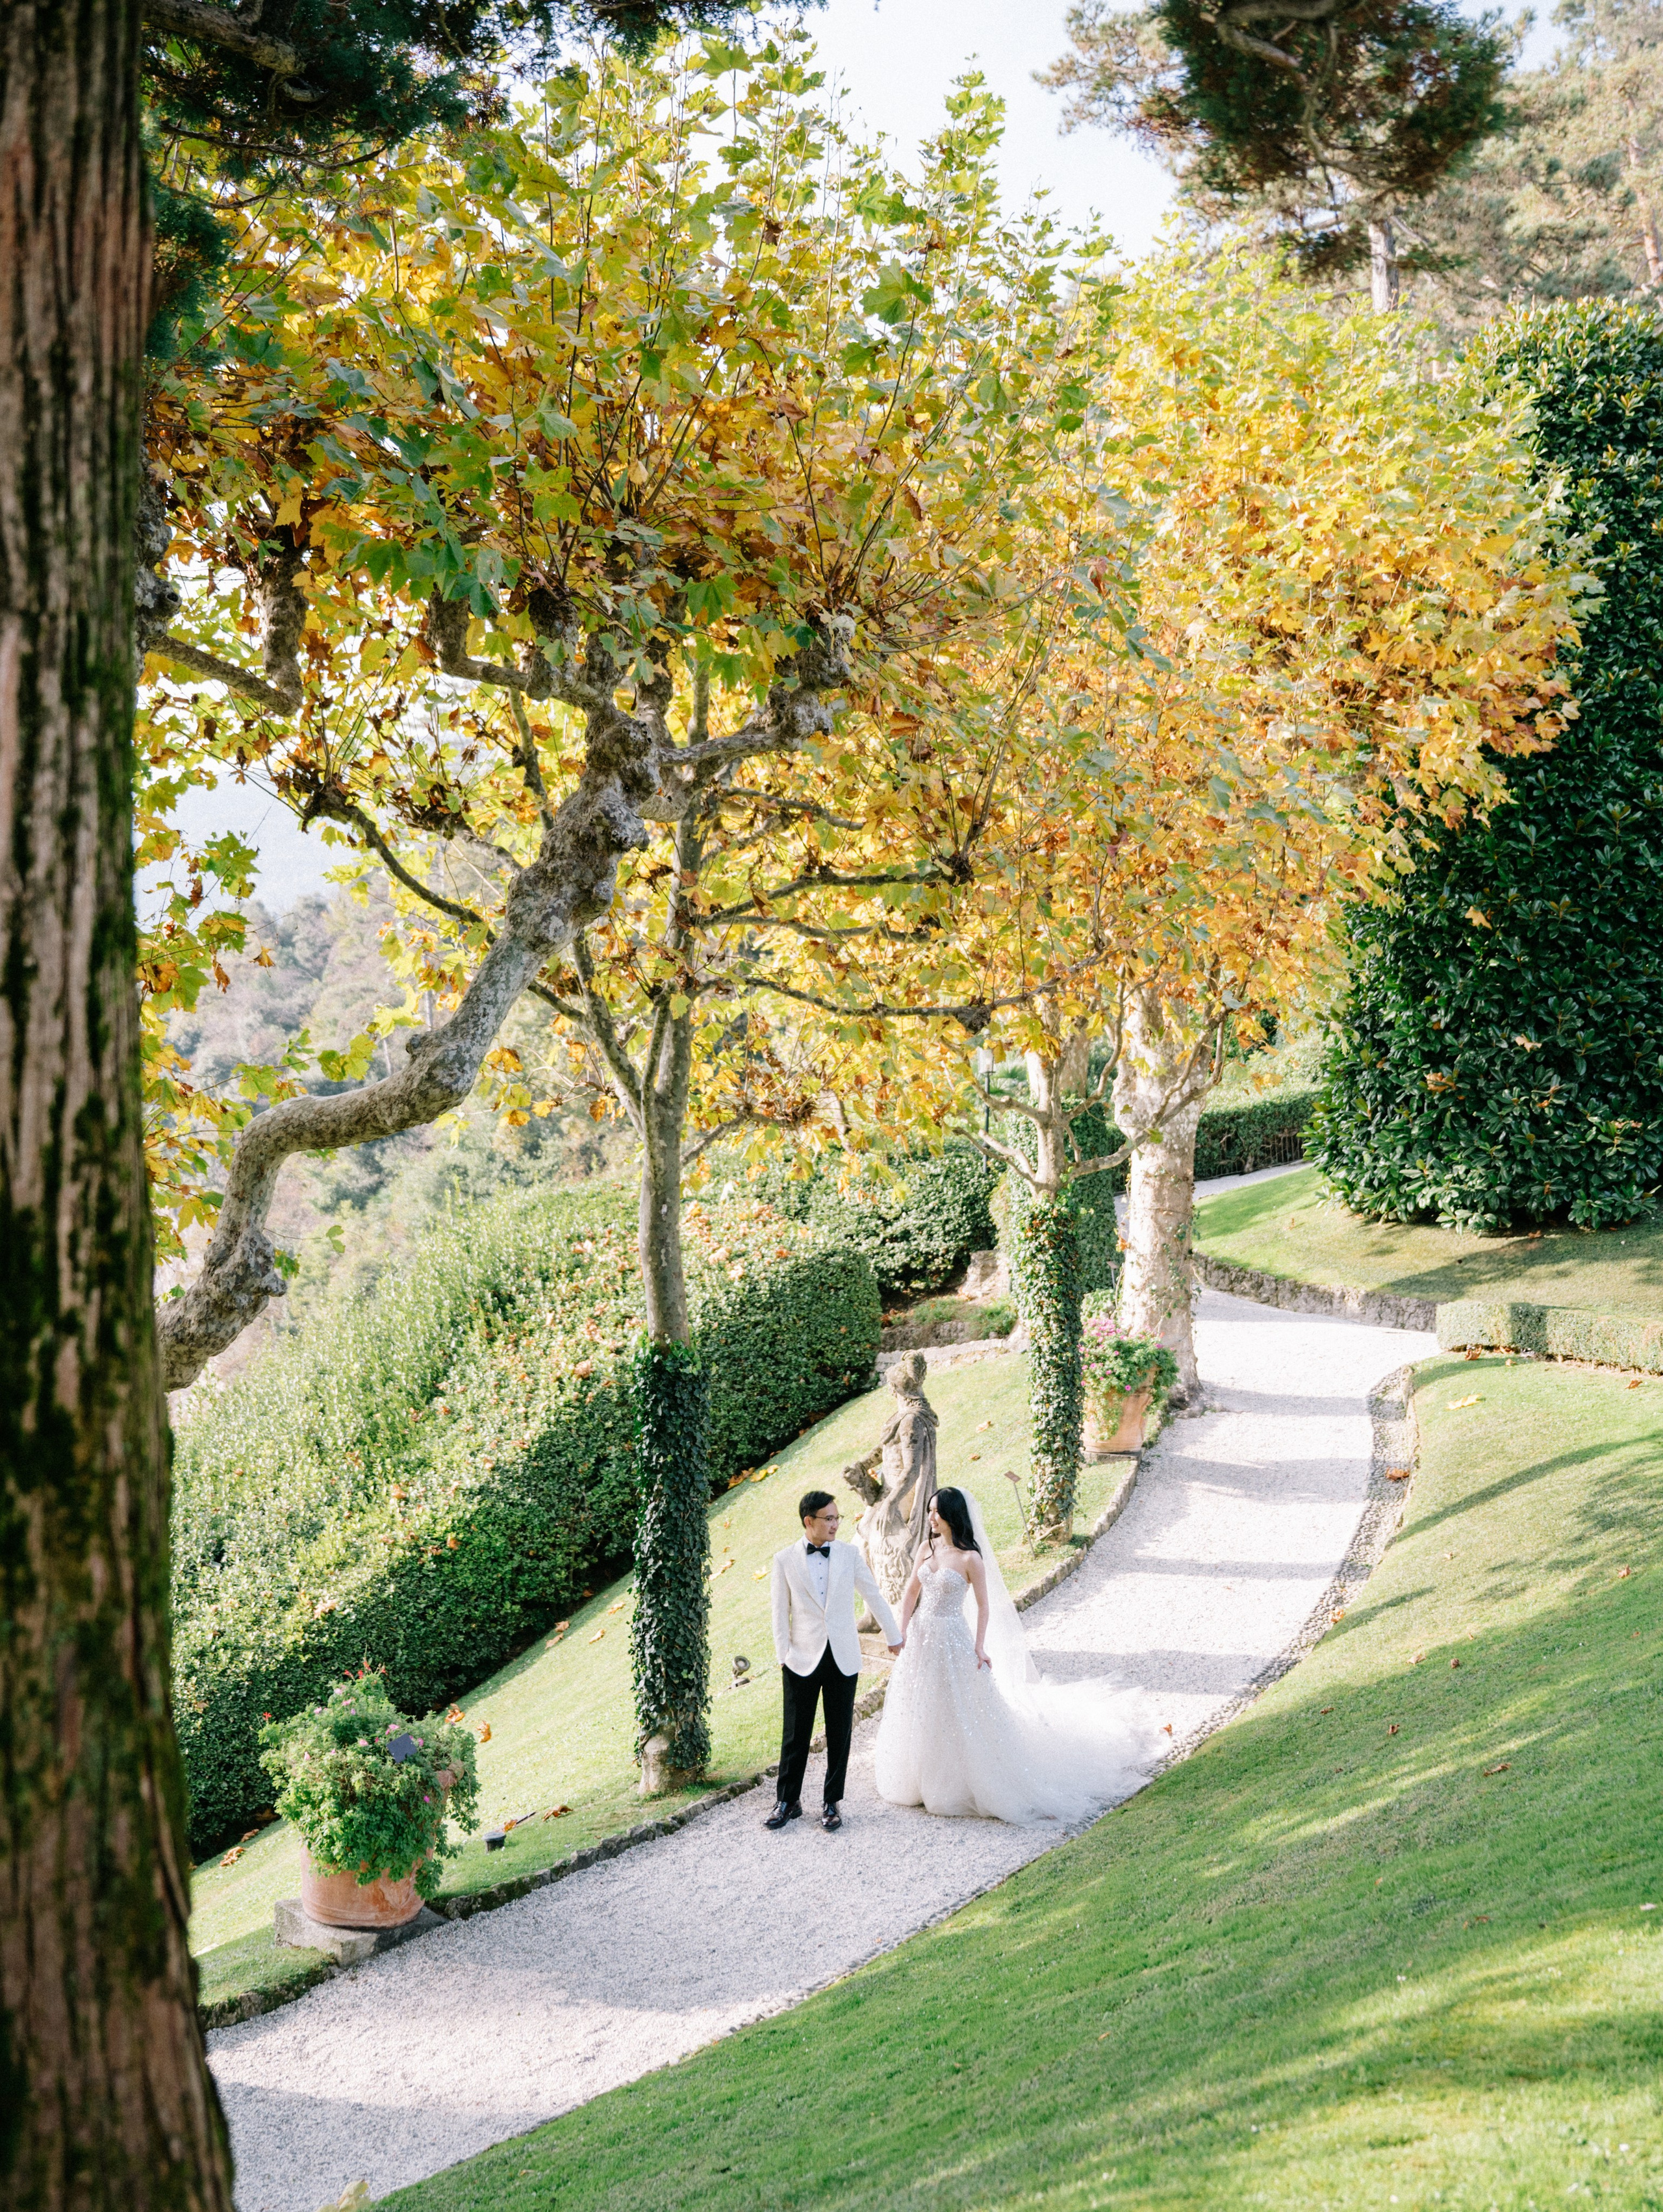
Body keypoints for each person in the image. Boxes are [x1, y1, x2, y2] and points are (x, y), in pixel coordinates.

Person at [874, 1485, 1156, 1825]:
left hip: (951, 1637)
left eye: (936, 1512)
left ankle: (956, 1783)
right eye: (930, 1511)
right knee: (922, 1702)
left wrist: (979, 1647)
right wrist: (901, 1632)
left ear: (952, 1516)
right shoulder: (925, 1548)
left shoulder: (969, 1558)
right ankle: (918, 1776)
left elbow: (982, 1605)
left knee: (957, 1706)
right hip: (922, 1635)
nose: (930, 1517)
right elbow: (910, 1594)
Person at [767, 1489, 901, 1833]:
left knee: (840, 1732)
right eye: (829, 1519)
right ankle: (787, 1801)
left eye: (838, 1518)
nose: (836, 1524)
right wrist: (784, 1655)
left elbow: (872, 1593)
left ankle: (831, 1802)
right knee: (795, 1734)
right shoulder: (784, 1560)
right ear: (808, 1521)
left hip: (843, 1655)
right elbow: (779, 1613)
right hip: (801, 1659)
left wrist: (894, 1636)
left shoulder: (849, 1554)